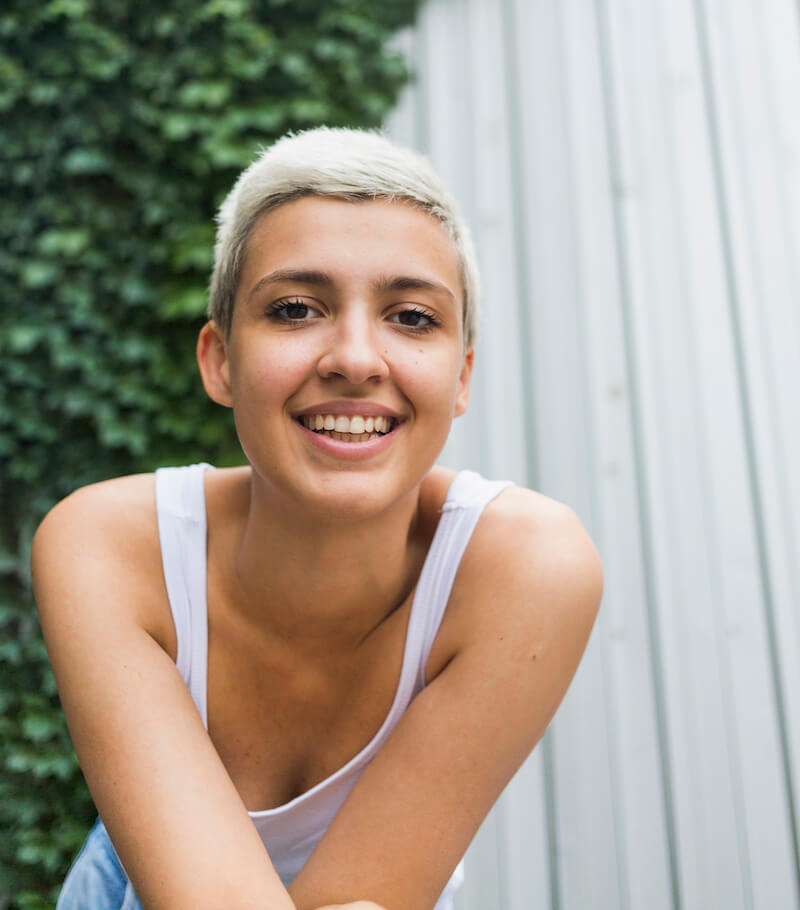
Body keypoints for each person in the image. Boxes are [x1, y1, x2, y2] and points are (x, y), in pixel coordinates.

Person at [31, 127, 603, 910]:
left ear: (462, 375)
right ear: (220, 359)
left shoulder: (526, 563)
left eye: (411, 317)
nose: (357, 358)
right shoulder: (107, 544)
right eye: (297, 309)